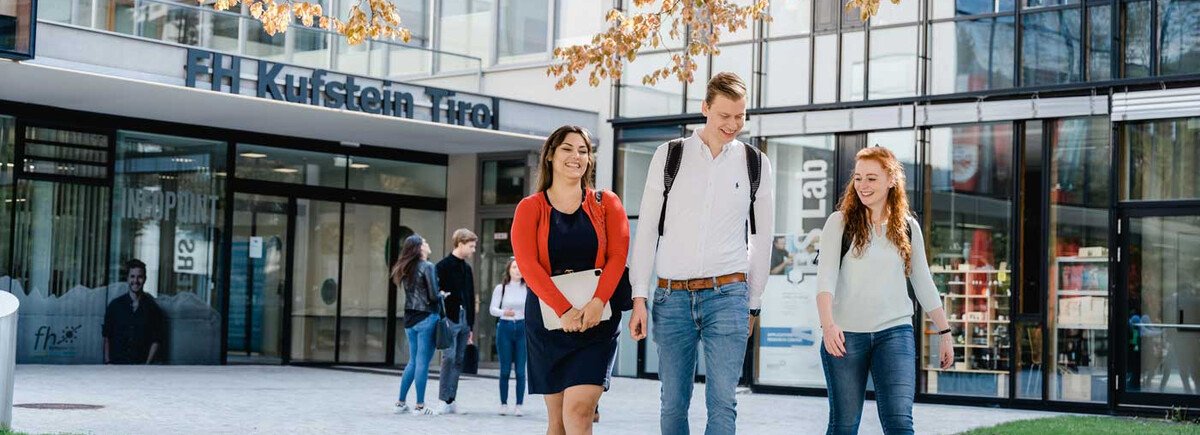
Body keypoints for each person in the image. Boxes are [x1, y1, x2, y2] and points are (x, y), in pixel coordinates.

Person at [627, 72, 775, 435]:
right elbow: (646, 228)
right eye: (725, 115)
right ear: (705, 108)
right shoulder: (670, 156)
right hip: (671, 297)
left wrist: (753, 302)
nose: (733, 124)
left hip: (728, 295)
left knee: (723, 402)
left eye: (740, 116)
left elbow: (762, 238)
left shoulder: (755, 163)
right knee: (673, 402)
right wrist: (639, 297)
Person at [815, 146, 955, 435]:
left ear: (891, 180)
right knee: (843, 425)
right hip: (845, 336)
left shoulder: (907, 227)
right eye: (858, 178)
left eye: (871, 178)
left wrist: (945, 333)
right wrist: (828, 326)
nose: (863, 186)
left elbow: (923, 281)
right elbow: (825, 279)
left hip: (895, 332)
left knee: (900, 423)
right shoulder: (839, 223)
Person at [511, 125, 629, 435]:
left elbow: (617, 257)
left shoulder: (607, 203)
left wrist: (597, 303)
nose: (575, 156)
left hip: (598, 320)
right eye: (567, 148)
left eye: (583, 150)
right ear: (550, 155)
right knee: (557, 423)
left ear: (590, 159)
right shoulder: (530, 208)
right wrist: (564, 310)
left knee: (578, 413)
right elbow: (527, 264)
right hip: (549, 323)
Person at [392, 234, 441, 416]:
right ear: (420, 248)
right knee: (422, 362)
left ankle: (400, 403)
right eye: (425, 243)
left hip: (409, 319)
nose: (428, 245)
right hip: (427, 317)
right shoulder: (428, 267)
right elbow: (433, 296)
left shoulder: (406, 268)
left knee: (413, 361)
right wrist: (442, 295)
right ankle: (420, 406)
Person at [435, 228, 478, 414]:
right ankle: (443, 399)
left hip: (464, 319)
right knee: (449, 357)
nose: (473, 249)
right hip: (449, 319)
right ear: (460, 244)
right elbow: (436, 293)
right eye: (471, 246)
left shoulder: (467, 269)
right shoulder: (442, 266)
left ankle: (451, 400)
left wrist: (471, 326)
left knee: (459, 359)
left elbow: (470, 296)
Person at [103, 259, 165, 365]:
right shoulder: (114, 306)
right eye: (132, 276)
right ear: (127, 278)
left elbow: (156, 340)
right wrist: (108, 363)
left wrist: (147, 365)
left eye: (139, 277)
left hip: (141, 367)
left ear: (145, 279)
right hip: (116, 366)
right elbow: (106, 336)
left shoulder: (153, 309)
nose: (135, 281)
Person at [489, 258, 528, 416]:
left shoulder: (527, 288)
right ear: (508, 270)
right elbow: (492, 309)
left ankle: (519, 404)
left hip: (522, 328)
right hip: (505, 327)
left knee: (520, 370)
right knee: (504, 369)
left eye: (520, 267)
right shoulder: (501, 288)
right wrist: (504, 312)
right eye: (514, 267)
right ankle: (503, 403)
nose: (517, 270)